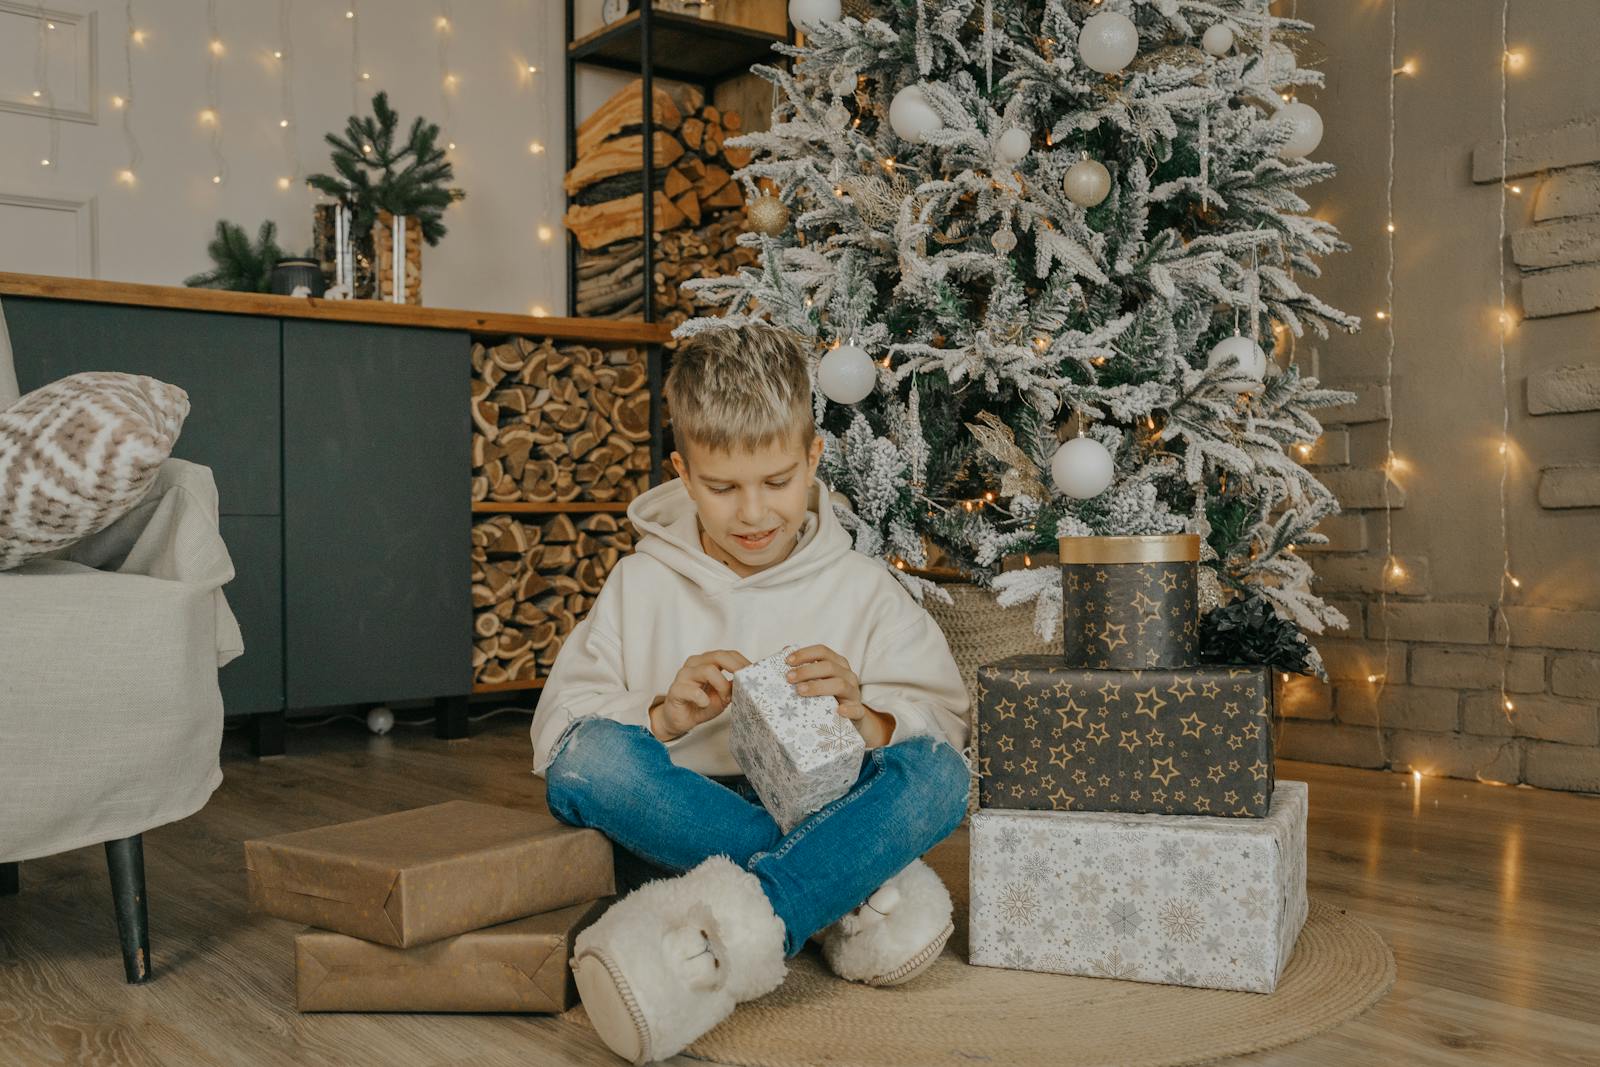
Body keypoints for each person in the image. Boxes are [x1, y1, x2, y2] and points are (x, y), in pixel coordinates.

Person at [530, 321, 970, 1064]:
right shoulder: (643, 581)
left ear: (813, 459)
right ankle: (834, 893)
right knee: (586, 766)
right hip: (683, 815)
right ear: (681, 471)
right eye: (722, 487)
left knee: (941, 776)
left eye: (777, 482)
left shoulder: (861, 586)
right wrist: (663, 713)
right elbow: (564, 735)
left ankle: (753, 916)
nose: (755, 513)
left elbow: (943, 724)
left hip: (827, 804)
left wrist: (866, 713)